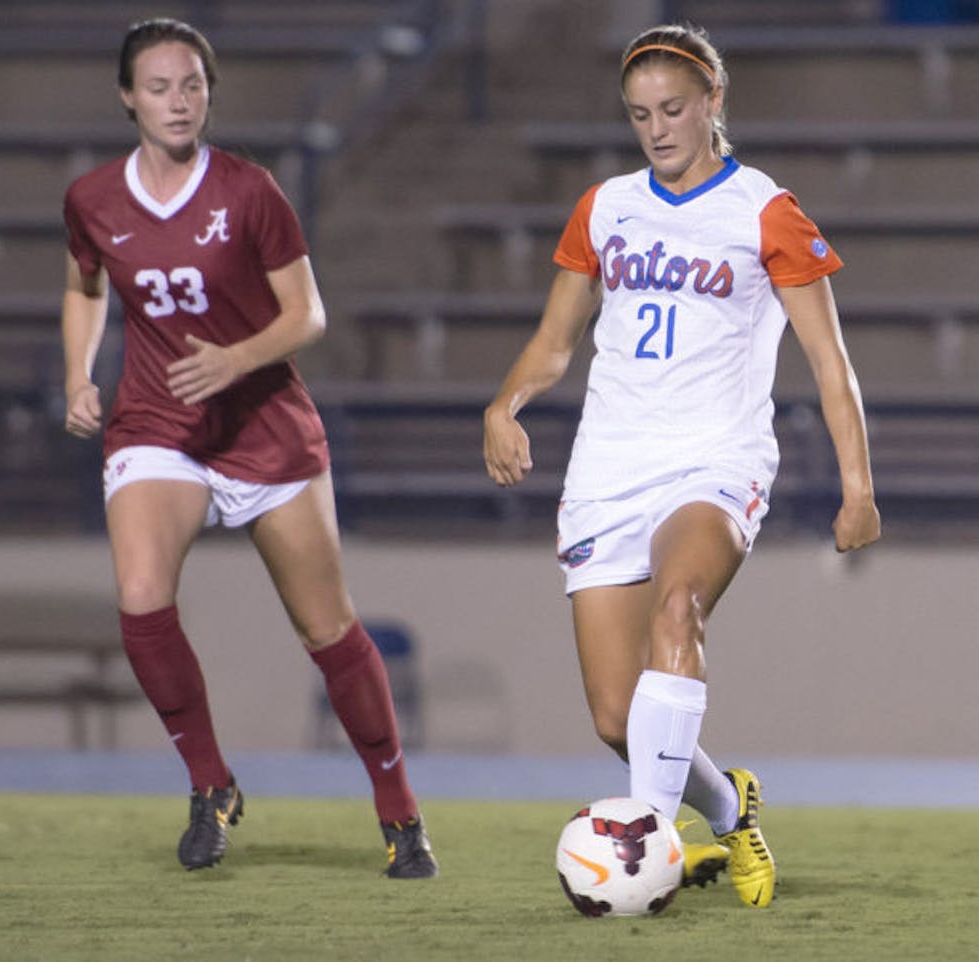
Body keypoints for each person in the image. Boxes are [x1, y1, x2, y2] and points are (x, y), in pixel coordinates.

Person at [484, 23, 880, 908]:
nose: (657, 129)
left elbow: (829, 361)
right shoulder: (605, 206)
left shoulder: (764, 210)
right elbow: (555, 344)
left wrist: (859, 487)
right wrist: (502, 406)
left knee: (679, 608)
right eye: (639, 116)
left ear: (713, 103)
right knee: (620, 719)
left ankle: (642, 858)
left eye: (672, 110)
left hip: (715, 460)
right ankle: (728, 812)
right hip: (607, 472)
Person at [61, 18, 437, 879]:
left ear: (208, 91)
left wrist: (235, 357)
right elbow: (84, 285)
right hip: (160, 423)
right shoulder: (93, 199)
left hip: (264, 426)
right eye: (158, 87)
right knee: (142, 595)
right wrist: (82, 372)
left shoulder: (249, 190)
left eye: (191, 84)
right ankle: (209, 784)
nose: (178, 101)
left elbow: (306, 314)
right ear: (128, 98)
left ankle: (399, 810)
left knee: (327, 628)